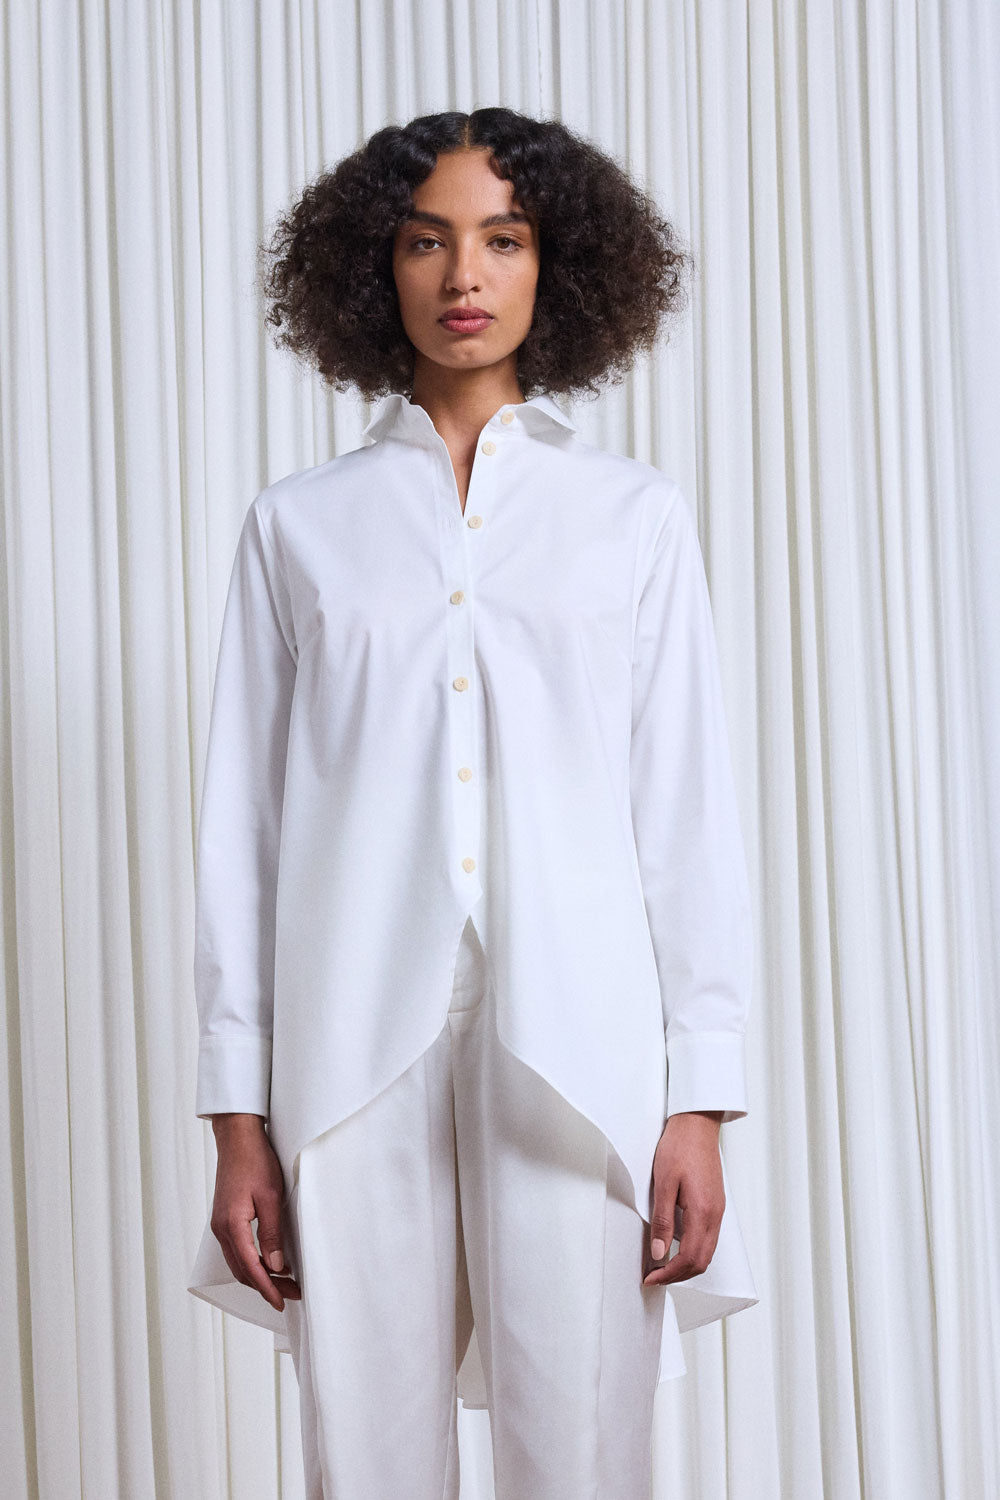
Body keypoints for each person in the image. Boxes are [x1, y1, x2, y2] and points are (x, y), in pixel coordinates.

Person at [187, 106, 758, 1498]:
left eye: (504, 239)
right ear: (370, 268)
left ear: (555, 266)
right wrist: (237, 1118)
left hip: (578, 1038)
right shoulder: (299, 526)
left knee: (583, 1446)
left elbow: (684, 811)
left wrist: (700, 1100)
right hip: (349, 1043)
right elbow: (243, 838)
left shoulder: (631, 517)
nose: (463, 275)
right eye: (425, 240)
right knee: (365, 1450)